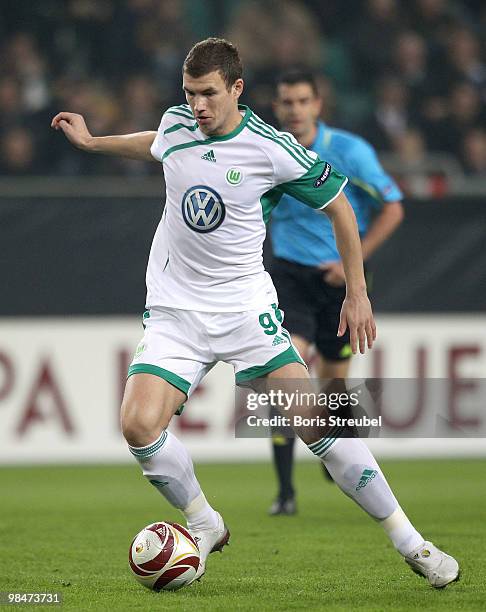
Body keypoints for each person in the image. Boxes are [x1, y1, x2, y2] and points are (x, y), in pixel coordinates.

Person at [51, 37, 458, 588]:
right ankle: (204, 521)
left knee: (318, 421)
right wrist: (94, 141)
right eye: (190, 93)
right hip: (176, 308)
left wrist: (357, 293)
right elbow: (155, 143)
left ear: (237, 89)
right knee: (138, 424)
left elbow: (339, 204)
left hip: (245, 309)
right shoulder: (177, 125)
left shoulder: (272, 148)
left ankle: (413, 544)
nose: (198, 106)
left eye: (210, 94)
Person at [268, 69, 404, 516]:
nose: (294, 111)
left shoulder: (349, 151)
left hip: (338, 283)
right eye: (287, 102)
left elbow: (393, 207)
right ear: (277, 106)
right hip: (288, 274)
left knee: (331, 383)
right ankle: (286, 492)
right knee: (285, 375)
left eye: (302, 101)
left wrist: (353, 261)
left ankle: (340, 452)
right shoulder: (267, 149)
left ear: (317, 105)